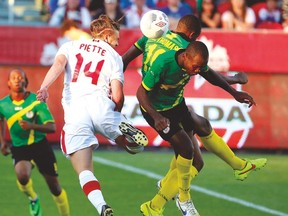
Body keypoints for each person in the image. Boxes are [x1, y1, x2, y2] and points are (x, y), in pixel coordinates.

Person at [122, 15, 267, 216]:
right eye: (195, 68)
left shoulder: (161, 40)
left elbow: (207, 73)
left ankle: (236, 167)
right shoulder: (168, 60)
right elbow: (141, 92)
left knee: (200, 137)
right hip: (157, 109)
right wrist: (154, 117)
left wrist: (234, 87)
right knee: (189, 151)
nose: (196, 71)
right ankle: (182, 198)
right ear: (191, 38)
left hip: (176, 104)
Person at [36, 15, 148, 216]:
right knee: (134, 148)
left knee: (84, 171)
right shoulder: (113, 56)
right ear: (106, 35)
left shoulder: (71, 46)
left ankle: (102, 206)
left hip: (76, 111)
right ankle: (125, 132)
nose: (118, 41)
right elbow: (118, 96)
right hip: (102, 107)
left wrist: (44, 87)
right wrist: (115, 115)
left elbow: (58, 66)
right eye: (116, 38)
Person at [0, 68, 70, 216]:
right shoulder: (3, 104)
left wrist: (32, 126)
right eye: (14, 78)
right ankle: (33, 198)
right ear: (8, 83)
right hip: (20, 147)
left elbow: (52, 127)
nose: (17, 80)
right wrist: (3, 142)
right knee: (22, 177)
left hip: (40, 146)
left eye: (20, 77)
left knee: (55, 189)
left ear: (26, 81)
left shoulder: (36, 101)